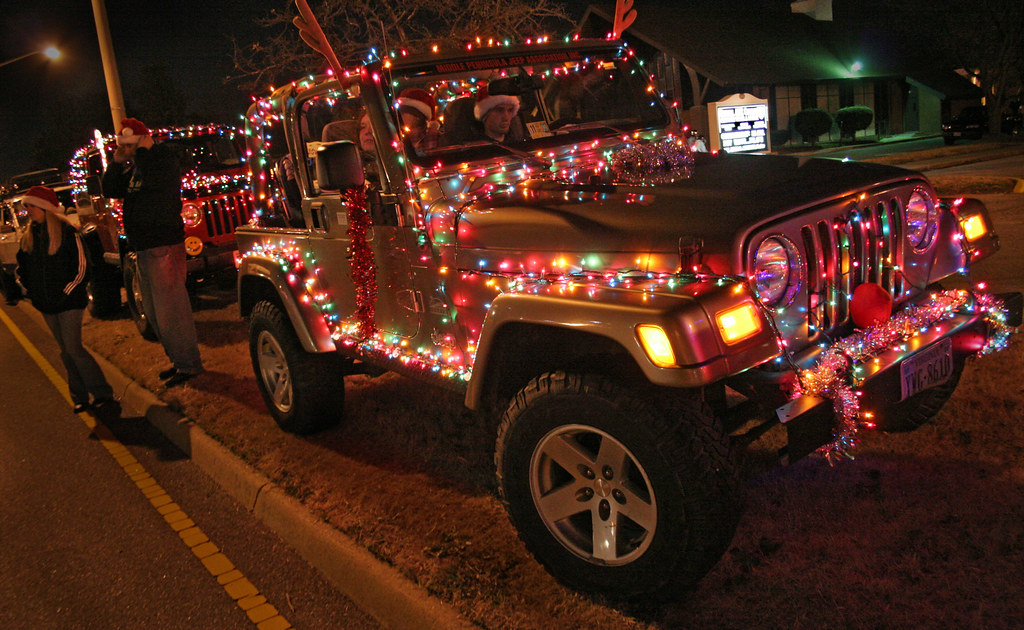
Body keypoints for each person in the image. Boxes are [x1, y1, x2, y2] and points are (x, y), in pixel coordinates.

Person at [101, 118, 203, 387]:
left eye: (132, 144)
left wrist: (144, 149)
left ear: (144, 140)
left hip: (163, 244)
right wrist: (116, 161)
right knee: (156, 313)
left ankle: (188, 364)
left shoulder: (160, 159)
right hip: (145, 246)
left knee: (171, 311)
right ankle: (179, 361)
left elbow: (156, 181)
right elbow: (110, 189)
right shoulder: (137, 166)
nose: (130, 150)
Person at [15, 186, 116, 413]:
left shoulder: (68, 233)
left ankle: (102, 392)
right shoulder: (29, 237)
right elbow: (23, 268)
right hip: (46, 304)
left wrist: (67, 291)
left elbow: (82, 267)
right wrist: (30, 291)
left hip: (69, 302)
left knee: (73, 348)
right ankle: (80, 397)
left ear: (43, 207)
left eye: (30, 206)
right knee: (65, 350)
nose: (27, 211)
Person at [396, 88, 439, 153]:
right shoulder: (396, 136)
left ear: (417, 116)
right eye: (400, 112)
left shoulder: (434, 137)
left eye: (404, 112)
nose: (401, 115)